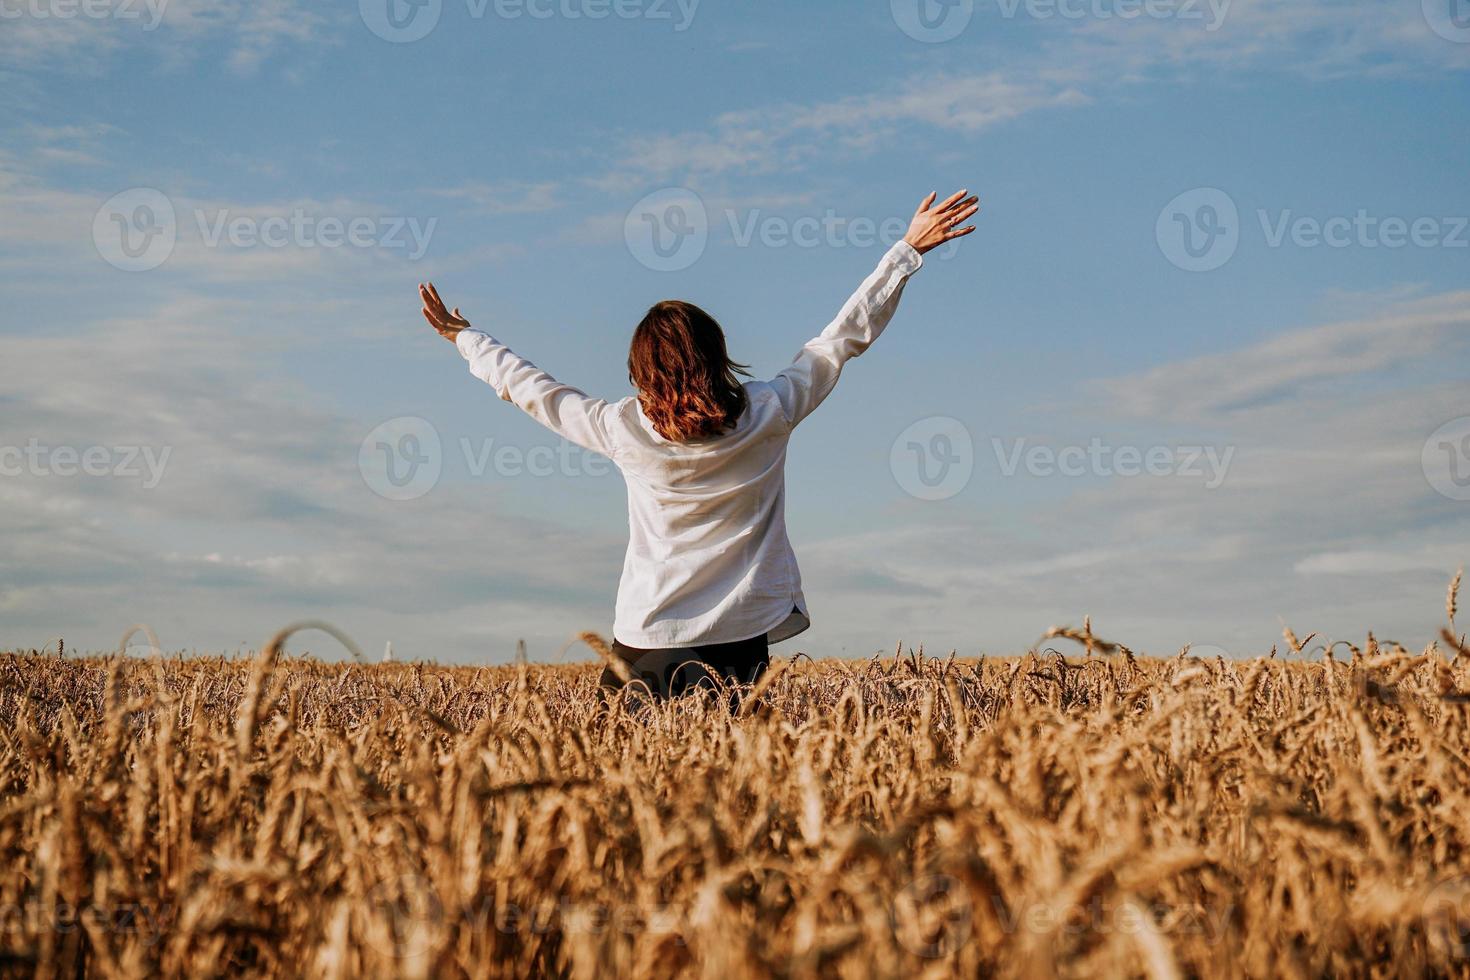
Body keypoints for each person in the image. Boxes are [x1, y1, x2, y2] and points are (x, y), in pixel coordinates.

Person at [420, 189, 979, 701]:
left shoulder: (622, 428)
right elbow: (843, 338)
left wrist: (467, 338)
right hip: (740, 636)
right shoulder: (771, 410)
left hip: (649, 634)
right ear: (717, 353)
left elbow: (532, 390)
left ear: (640, 368)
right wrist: (906, 250)